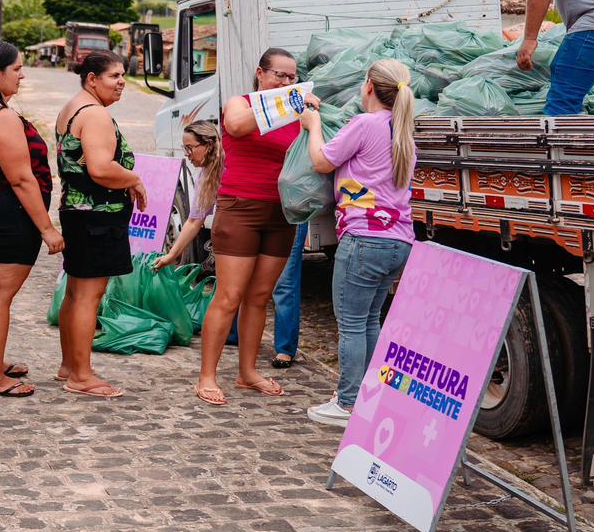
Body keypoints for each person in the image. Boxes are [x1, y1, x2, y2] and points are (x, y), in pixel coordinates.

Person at [195, 48, 315, 406]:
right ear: (260, 74)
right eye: (279, 75)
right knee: (229, 295)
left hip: (282, 213)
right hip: (240, 209)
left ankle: (247, 372)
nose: (287, 82)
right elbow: (237, 126)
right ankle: (207, 376)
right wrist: (291, 102)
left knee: (260, 297)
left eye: (293, 78)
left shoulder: (298, 113)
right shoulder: (240, 103)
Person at [301, 60, 417, 426]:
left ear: (368, 86)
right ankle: (366, 395)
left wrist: (313, 125)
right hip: (397, 240)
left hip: (364, 239)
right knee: (368, 321)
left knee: (351, 324)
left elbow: (321, 161)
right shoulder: (401, 129)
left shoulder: (365, 124)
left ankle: (347, 403)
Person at [0, 41, 61, 397]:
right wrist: (47, 229)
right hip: (6, 211)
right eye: (17, 69)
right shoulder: (0, 117)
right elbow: (21, 179)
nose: (23, 75)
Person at [54, 50, 146, 399]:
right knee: (88, 297)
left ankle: (69, 365)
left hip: (78, 212)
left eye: (123, 76)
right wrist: (134, 179)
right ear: (92, 79)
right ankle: (81, 373)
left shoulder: (73, 108)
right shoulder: (95, 115)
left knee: (76, 293)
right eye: (114, 76)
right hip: (97, 215)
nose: (121, 82)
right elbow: (101, 167)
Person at [153, 121, 222, 273]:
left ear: (208, 145)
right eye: (184, 148)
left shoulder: (229, 166)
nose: (186, 154)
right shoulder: (204, 177)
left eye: (189, 148)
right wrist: (171, 255)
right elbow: (194, 221)